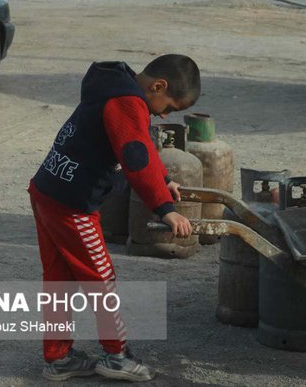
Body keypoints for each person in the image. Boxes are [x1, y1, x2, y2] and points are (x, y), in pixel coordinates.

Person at [28, 54, 200, 382]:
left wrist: (163, 180)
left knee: (59, 279)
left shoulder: (114, 89)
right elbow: (135, 157)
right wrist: (165, 208)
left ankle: (58, 357)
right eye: (169, 107)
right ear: (158, 86)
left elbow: (141, 146)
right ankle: (116, 355)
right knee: (102, 277)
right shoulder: (127, 103)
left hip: (47, 190)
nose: (165, 114)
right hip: (73, 205)